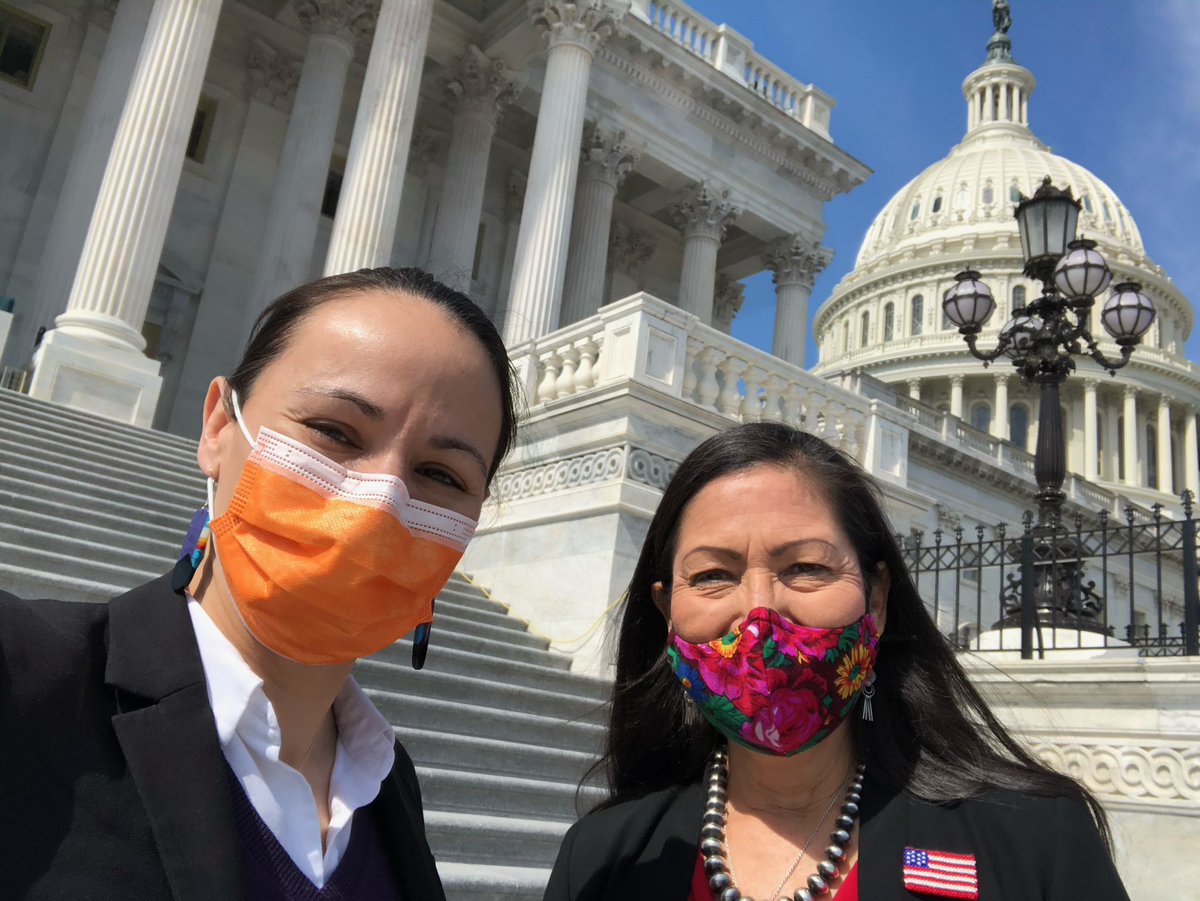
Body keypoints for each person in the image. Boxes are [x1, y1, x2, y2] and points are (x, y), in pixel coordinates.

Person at [0, 267, 519, 900]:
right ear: (219, 426)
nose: (382, 500)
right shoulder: (25, 678)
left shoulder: (389, 787)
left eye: (442, 474)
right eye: (333, 432)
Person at [545, 422, 1129, 901]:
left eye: (806, 568)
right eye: (712, 575)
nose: (759, 614)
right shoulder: (602, 859)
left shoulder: (1032, 841)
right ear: (667, 609)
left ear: (876, 599)